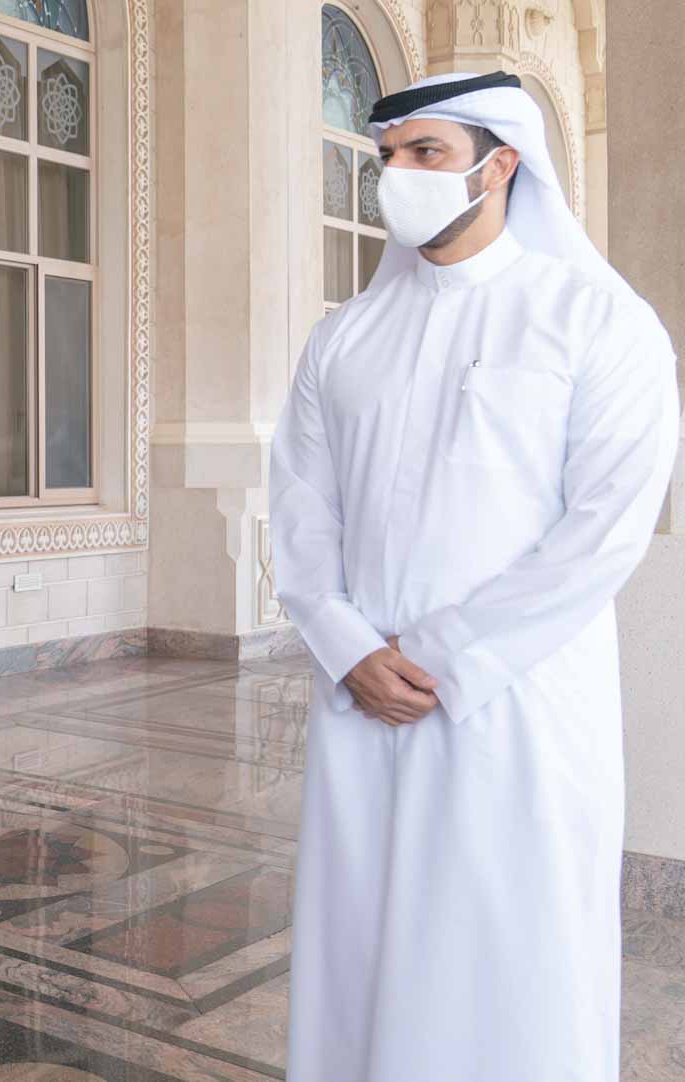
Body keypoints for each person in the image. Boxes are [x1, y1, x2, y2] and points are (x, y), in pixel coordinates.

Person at [273, 72, 679, 1081]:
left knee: (509, 972)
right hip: (362, 708)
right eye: (387, 156)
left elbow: (604, 531)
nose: (397, 176)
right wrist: (348, 646)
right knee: (363, 963)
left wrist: (442, 655)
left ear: (500, 165)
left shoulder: (598, 321)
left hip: (518, 710)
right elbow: (301, 513)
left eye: (426, 153)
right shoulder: (343, 337)